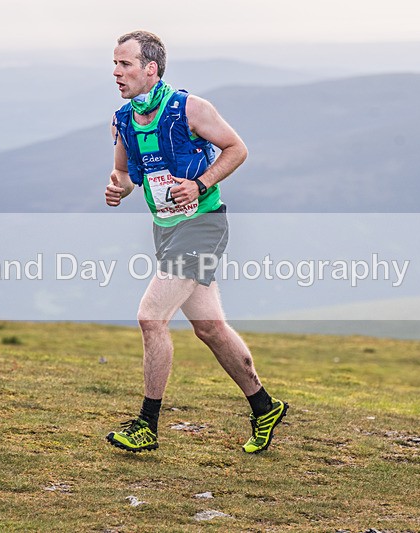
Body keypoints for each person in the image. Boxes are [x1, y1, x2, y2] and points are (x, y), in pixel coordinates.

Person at [104, 30, 287, 454]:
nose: (116, 72)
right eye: (114, 64)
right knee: (209, 327)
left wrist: (201, 183)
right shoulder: (123, 119)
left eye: (125, 64)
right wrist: (117, 188)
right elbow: (125, 175)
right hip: (166, 229)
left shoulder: (190, 108)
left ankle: (147, 425)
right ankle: (264, 405)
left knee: (151, 318)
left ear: (150, 68)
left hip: (203, 225)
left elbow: (237, 149)